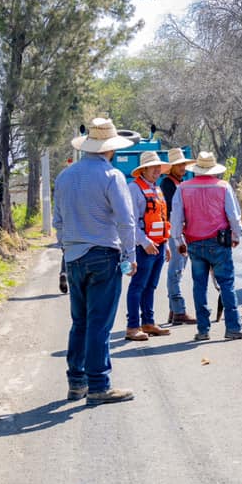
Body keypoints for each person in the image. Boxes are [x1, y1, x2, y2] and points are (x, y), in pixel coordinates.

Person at [53, 117, 136, 406]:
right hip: (103, 254)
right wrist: (130, 255)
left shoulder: (64, 177)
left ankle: (76, 383)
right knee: (100, 323)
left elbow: (58, 223)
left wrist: (67, 252)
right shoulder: (112, 176)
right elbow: (126, 221)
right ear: (110, 148)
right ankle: (99, 384)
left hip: (74, 256)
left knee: (80, 322)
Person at [170, 152, 242, 341]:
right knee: (227, 284)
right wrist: (236, 235)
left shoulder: (182, 188)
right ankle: (233, 327)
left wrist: (178, 241)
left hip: (194, 243)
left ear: (197, 169)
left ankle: (203, 330)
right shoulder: (223, 187)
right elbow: (233, 215)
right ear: (214, 169)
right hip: (219, 243)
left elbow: (176, 219)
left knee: (199, 286)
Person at [124, 151, 173, 341]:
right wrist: (144, 242)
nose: (156, 170)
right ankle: (132, 326)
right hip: (143, 247)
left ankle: (148, 322)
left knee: (151, 286)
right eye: (153, 167)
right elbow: (131, 222)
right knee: (137, 286)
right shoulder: (133, 189)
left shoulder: (157, 189)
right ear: (143, 169)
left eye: (158, 167)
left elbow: (162, 219)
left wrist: (166, 244)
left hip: (159, 246)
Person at [160, 147, 197, 325]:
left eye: (183, 164)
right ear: (172, 167)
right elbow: (172, 212)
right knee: (175, 272)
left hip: (178, 233)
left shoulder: (175, 183)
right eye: (179, 165)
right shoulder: (168, 184)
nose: (182, 167)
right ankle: (179, 310)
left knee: (178, 271)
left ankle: (173, 311)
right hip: (175, 234)